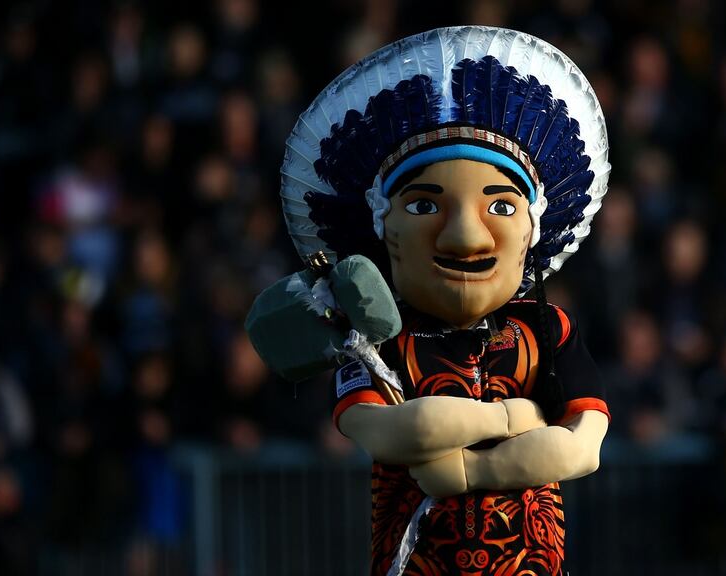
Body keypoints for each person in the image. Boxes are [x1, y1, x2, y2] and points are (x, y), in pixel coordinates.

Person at [262, 27, 611, 575]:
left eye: (500, 206)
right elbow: (395, 432)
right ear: (386, 229)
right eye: (424, 207)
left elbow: (583, 449)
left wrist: (474, 472)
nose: (466, 237)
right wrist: (515, 416)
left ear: (530, 230)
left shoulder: (549, 330)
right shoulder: (373, 337)